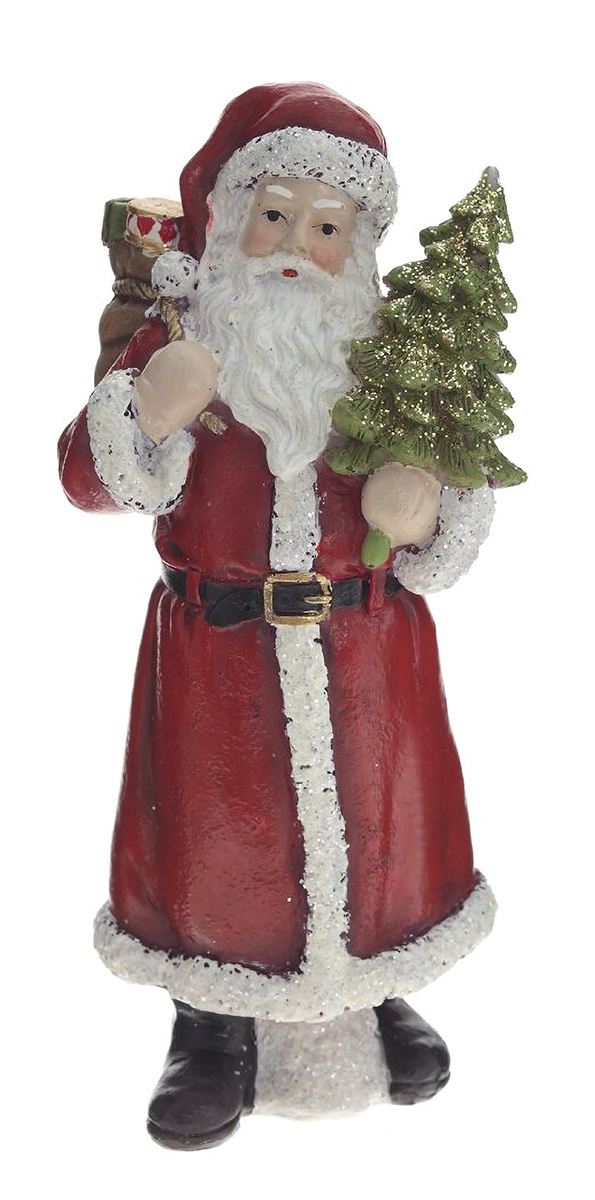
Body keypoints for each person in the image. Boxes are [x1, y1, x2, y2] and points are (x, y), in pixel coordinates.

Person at [58, 83, 497, 1149]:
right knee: (219, 846)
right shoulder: (177, 340)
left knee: (383, 830)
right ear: (227, 224)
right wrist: (146, 411)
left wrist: (429, 508)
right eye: (275, 216)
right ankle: (211, 1028)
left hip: (366, 645)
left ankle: (381, 982)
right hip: (219, 652)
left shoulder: (390, 356)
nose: (300, 245)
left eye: (329, 226)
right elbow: (83, 476)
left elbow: (453, 488)